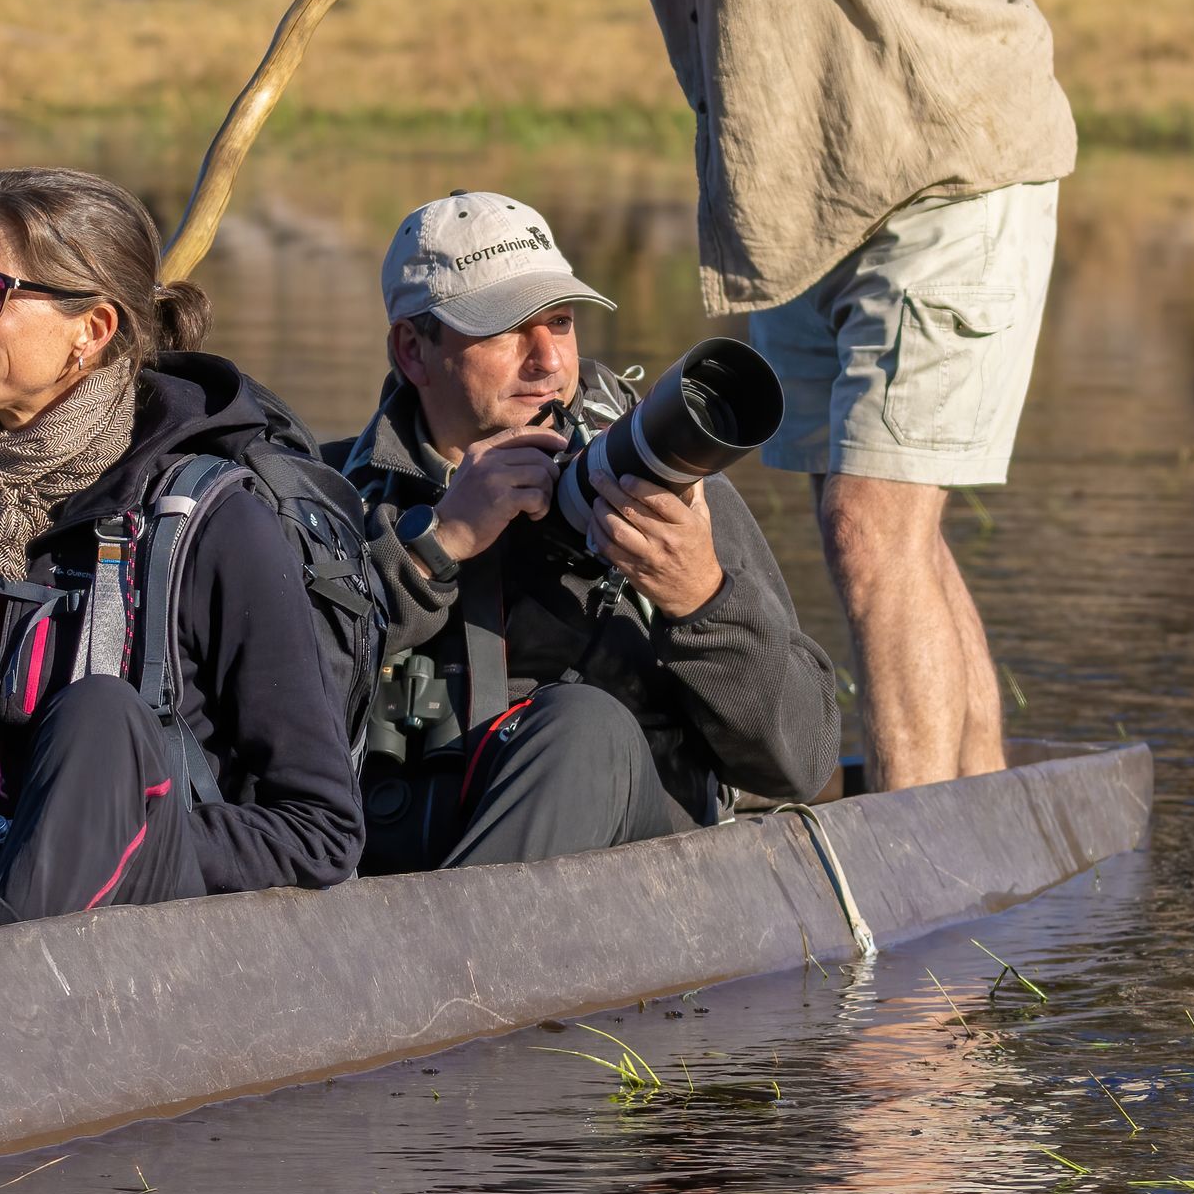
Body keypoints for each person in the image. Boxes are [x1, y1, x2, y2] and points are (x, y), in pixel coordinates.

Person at [387, 0, 1076, 788]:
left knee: (873, 522)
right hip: (801, 186)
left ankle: (919, 894)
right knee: (893, 535)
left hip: (946, 163)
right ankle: (977, 821)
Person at [0, 168, 363, 931]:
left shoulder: (214, 527)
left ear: (91, 330)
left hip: (142, 942)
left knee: (100, 716)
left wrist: (128, 840)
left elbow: (322, 831)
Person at [335, 192, 838, 872]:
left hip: (635, 893)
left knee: (584, 729)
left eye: (563, 323)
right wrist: (438, 546)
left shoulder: (674, 503)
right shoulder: (329, 497)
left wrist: (701, 600)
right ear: (413, 350)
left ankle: (452, 964)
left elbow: (801, 765)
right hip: (389, 880)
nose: (548, 361)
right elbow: (262, 705)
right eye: (508, 327)